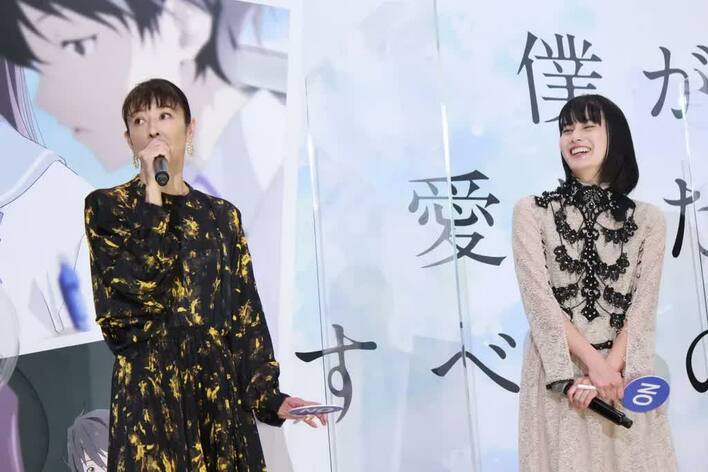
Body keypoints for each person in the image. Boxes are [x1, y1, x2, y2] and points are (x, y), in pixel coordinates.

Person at [83, 78, 322, 471]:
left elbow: (244, 314)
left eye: (165, 115)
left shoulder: (221, 216)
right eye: (140, 121)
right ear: (129, 140)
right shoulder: (107, 208)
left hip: (216, 395)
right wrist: (152, 196)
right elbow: (140, 287)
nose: (153, 129)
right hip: (150, 395)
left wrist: (269, 396)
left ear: (189, 128)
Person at [511, 94, 677, 471]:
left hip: (621, 378)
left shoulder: (649, 220)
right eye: (566, 129)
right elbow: (539, 300)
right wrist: (590, 368)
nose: (574, 137)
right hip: (561, 377)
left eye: (588, 126)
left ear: (614, 136)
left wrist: (609, 370)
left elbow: (643, 307)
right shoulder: (532, 212)